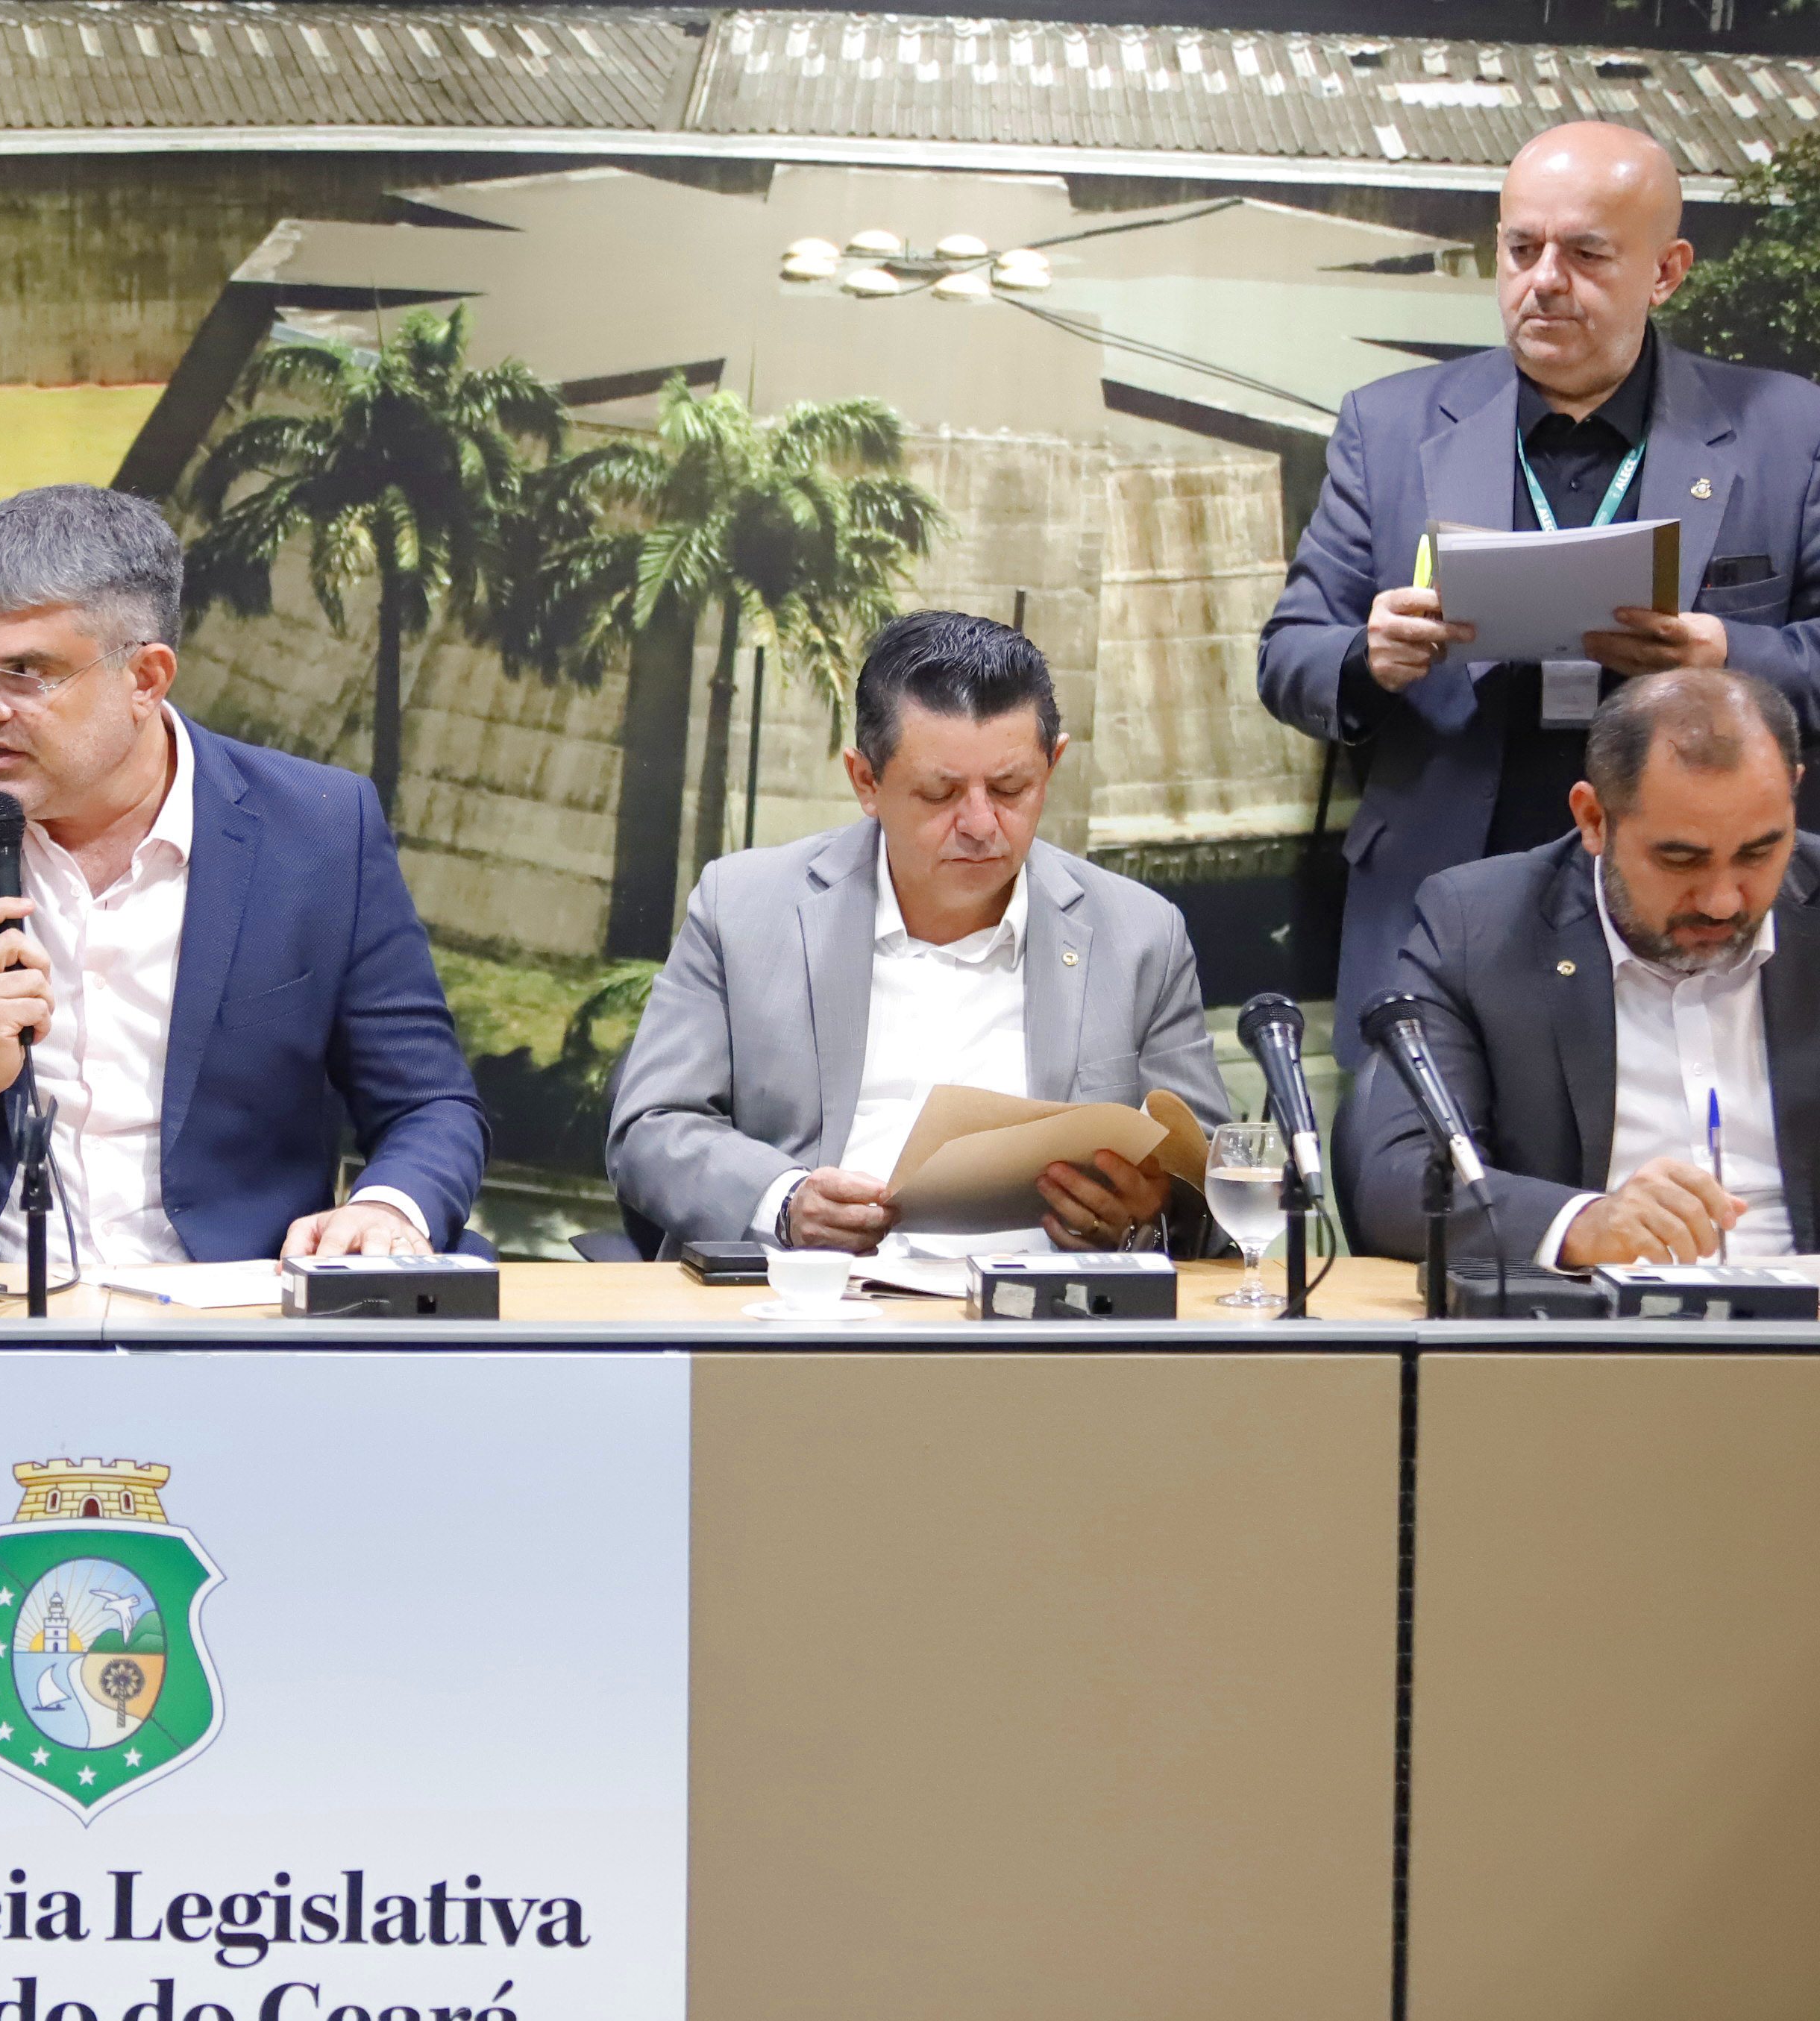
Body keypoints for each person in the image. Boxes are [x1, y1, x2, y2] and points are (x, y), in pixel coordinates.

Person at [0, 485, 486, 1265]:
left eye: (24, 672)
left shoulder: (319, 830)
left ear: (146, 678)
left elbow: (429, 1105)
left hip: (224, 1315)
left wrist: (385, 1209)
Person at [1260, 122, 1820, 1078]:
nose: (1543, 280)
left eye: (1585, 254)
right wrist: (1367, 656)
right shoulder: (1386, 425)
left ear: (1665, 271)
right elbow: (1288, 656)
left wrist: (1723, 656)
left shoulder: (1786, 428)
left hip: (1698, 902)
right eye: (1520, 249)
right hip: (1444, 889)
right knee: (1427, 1165)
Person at [609, 611, 1231, 1257]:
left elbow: (1215, 1180)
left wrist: (1147, 1221)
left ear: (1053, 765)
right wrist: (784, 1203)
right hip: (810, 1296)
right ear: (866, 782)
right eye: (940, 793)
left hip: (1043, 1303)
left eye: (1011, 788)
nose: (980, 825)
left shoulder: (1139, 936)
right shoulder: (744, 908)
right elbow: (650, 1128)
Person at [1343, 668, 1819, 1266]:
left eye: (1759, 852)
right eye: (1681, 860)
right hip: (1597, 1311)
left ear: (1794, 792)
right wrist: (1584, 1224)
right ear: (1594, 819)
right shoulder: (1480, 927)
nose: (1722, 901)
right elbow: (1400, 1181)